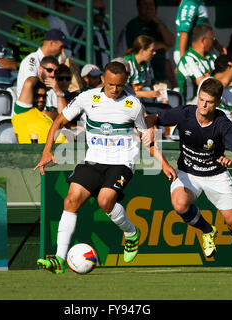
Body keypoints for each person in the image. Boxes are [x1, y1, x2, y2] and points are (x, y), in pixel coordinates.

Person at [34, 61, 176, 274]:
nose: (114, 89)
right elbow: (59, 122)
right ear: (103, 80)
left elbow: (147, 136)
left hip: (122, 162)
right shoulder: (87, 98)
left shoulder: (134, 105)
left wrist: (163, 163)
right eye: (110, 84)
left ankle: (131, 233)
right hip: (94, 160)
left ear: (125, 82)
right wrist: (47, 151)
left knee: (104, 200)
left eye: (119, 85)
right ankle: (60, 259)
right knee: (71, 200)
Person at [146, 77, 232, 274]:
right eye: (201, 99)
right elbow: (154, 118)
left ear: (218, 102)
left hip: (216, 175)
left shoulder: (222, 123)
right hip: (188, 172)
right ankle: (207, 230)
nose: (203, 105)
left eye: (209, 102)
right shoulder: (184, 113)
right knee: (179, 204)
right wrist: (147, 127)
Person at [125, 0, 176, 86]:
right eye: (145, 4)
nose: (149, 7)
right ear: (138, 6)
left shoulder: (157, 24)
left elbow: (171, 42)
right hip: (140, 75)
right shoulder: (134, 25)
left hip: (159, 76)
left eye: (151, 4)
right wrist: (163, 45)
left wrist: (159, 23)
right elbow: (143, 45)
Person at [16, 28, 70, 98]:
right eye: (61, 47)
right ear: (51, 43)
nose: (62, 50)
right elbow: (30, 84)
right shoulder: (32, 59)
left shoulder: (54, 62)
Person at [176, 24, 219, 104]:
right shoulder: (188, 59)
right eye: (212, 39)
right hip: (191, 105)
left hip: (212, 102)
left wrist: (209, 77)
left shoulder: (212, 56)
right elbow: (205, 85)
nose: (214, 42)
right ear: (203, 40)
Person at [173, 0, 225, 65]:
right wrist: (182, 61)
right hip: (189, 53)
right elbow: (184, 33)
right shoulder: (191, 3)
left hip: (198, 53)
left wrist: (218, 46)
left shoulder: (198, 2)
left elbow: (206, 31)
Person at [71, 0, 110, 69]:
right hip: (90, 76)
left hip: (105, 75)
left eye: (101, 9)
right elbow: (70, 52)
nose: (98, 12)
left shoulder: (106, 26)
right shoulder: (82, 27)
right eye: (95, 9)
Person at [123, 35, 161, 100]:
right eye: (151, 50)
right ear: (142, 51)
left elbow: (151, 83)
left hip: (143, 102)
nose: (154, 53)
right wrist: (145, 94)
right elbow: (122, 90)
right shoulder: (126, 64)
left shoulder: (147, 64)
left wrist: (161, 89)